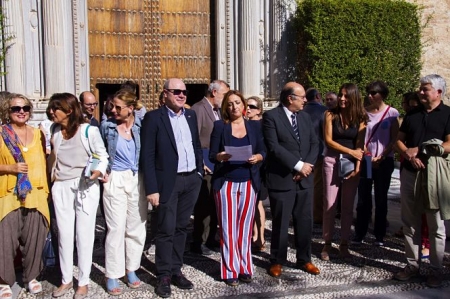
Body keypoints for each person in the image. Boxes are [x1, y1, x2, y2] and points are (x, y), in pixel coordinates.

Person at [140, 78, 204, 298]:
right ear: (165, 93)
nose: (182, 95)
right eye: (176, 91)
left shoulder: (190, 115)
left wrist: (198, 173)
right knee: (165, 229)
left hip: (191, 180)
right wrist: (152, 188)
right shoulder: (153, 118)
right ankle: (163, 275)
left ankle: (176, 269)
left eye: (184, 92)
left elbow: (195, 145)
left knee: (181, 227)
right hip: (169, 182)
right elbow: (147, 156)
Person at [47, 93, 108, 299]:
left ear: (70, 110)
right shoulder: (54, 131)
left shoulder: (88, 131)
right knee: (64, 234)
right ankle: (66, 279)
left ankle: (82, 282)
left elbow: (102, 155)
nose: (51, 111)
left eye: (56, 108)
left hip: (85, 186)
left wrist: (98, 171)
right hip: (61, 186)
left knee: (84, 234)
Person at [394, 74, 450, 288]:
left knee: (436, 224)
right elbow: (399, 140)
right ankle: (412, 265)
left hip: (434, 176)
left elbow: (449, 144)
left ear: (438, 92)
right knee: (410, 222)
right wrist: (407, 152)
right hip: (410, 173)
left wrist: (425, 149)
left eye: (425, 89)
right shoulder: (412, 114)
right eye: (421, 88)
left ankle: (436, 269)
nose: (420, 92)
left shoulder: (447, 114)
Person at [263, 82, 320, 278]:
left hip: (304, 180)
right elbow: (274, 147)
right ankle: (277, 260)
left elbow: (315, 142)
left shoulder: (304, 117)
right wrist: (298, 165)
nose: (306, 100)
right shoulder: (271, 117)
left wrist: (307, 167)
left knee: (305, 221)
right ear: (290, 98)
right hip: (282, 179)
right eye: (302, 96)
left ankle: (305, 259)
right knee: (280, 223)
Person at [209, 90, 265, 286]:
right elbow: (211, 154)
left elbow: (263, 150)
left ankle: (245, 267)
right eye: (230, 103)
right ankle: (229, 269)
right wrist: (219, 157)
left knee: (245, 227)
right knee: (227, 228)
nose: (234, 107)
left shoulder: (254, 127)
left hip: (249, 182)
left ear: (243, 106)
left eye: (237, 103)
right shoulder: (219, 127)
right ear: (226, 107)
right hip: (226, 183)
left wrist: (259, 157)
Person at [0, 94, 49, 297]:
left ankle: (32, 276)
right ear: (7, 111)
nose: (21, 111)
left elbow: (47, 162)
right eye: (16, 108)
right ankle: (4, 281)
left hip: (35, 192)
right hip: (9, 193)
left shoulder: (39, 134)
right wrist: (9, 167)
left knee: (35, 237)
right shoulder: (2, 133)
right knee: (6, 239)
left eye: (26, 108)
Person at [100, 89, 147, 295]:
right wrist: (103, 170)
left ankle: (131, 269)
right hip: (115, 178)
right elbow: (98, 151)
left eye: (119, 107)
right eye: (112, 106)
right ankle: (112, 273)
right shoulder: (107, 127)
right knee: (115, 228)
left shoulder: (141, 126)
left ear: (130, 108)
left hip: (136, 178)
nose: (114, 110)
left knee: (136, 226)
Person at [321, 83, 367, 261]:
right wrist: (351, 152)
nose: (341, 98)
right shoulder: (330, 115)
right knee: (329, 204)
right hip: (332, 160)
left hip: (351, 163)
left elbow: (360, 144)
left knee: (348, 207)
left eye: (346, 96)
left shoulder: (361, 117)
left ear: (353, 98)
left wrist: (357, 167)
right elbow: (328, 140)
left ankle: (344, 243)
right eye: (340, 95)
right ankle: (327, 242)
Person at [354, 81, 399, 246]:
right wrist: (367, 154)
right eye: (368, 92)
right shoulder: (364, 113)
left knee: (381, 198)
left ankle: (379, 235)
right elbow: (361, 137)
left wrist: (381, 156)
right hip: (367, 159)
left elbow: (395, 138)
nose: (370, 96)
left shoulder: (392, 113)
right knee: (363, 198)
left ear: (382, 95)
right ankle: (360, 233)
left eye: (373, 93)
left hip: (384, 160)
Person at [190, 79, 229, 255]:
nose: (226, 98)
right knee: (203, 206)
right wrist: (201, 163)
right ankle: (199, 242)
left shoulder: (219, 111)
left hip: (217, 163)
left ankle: (212, 238)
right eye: (224, 94)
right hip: (205, 164)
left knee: (215, 204)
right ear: (214, 93)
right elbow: (194, 139)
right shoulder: (198, 109)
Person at [246, 96, 268, 252]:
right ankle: (253, 235)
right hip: (247, 166)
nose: (248, 109)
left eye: (252, 107)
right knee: (252, 202)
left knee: (258, 202)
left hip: (259, 167)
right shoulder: (245, 124)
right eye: (246, 106)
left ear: (259, 110)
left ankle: (260, 237)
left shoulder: (263, 125)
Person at [303, 88, 328, 225]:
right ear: (318, 96)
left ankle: (302, 212)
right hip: (319, 152)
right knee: (318, 185)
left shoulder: (300, 111)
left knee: (302, 183)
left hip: (302, 154)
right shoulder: (324, 111)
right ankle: (317, 215)